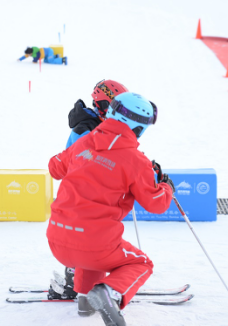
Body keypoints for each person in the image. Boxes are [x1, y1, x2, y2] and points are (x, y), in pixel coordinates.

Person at [46, 92, 176, 326]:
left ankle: (86, 300)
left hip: (57, 241)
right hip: (95, 245)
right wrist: (166, 186)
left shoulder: (83, 143)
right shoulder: (136, 161)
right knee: (141, 263)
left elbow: (55, 168)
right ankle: (111, 293)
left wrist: (79, 141)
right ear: (139, 128)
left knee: (91, 257)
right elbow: (156, 204)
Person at [47, 80, 129, 306]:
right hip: (82, 192)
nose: (117, 113)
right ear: (100, 104)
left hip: (86, 191)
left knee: (88, 237)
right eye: (113, 106)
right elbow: (92, 161)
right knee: (85, 237)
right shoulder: (86, 128)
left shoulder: (95, 123)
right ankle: (76, 284)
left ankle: (84, 284)